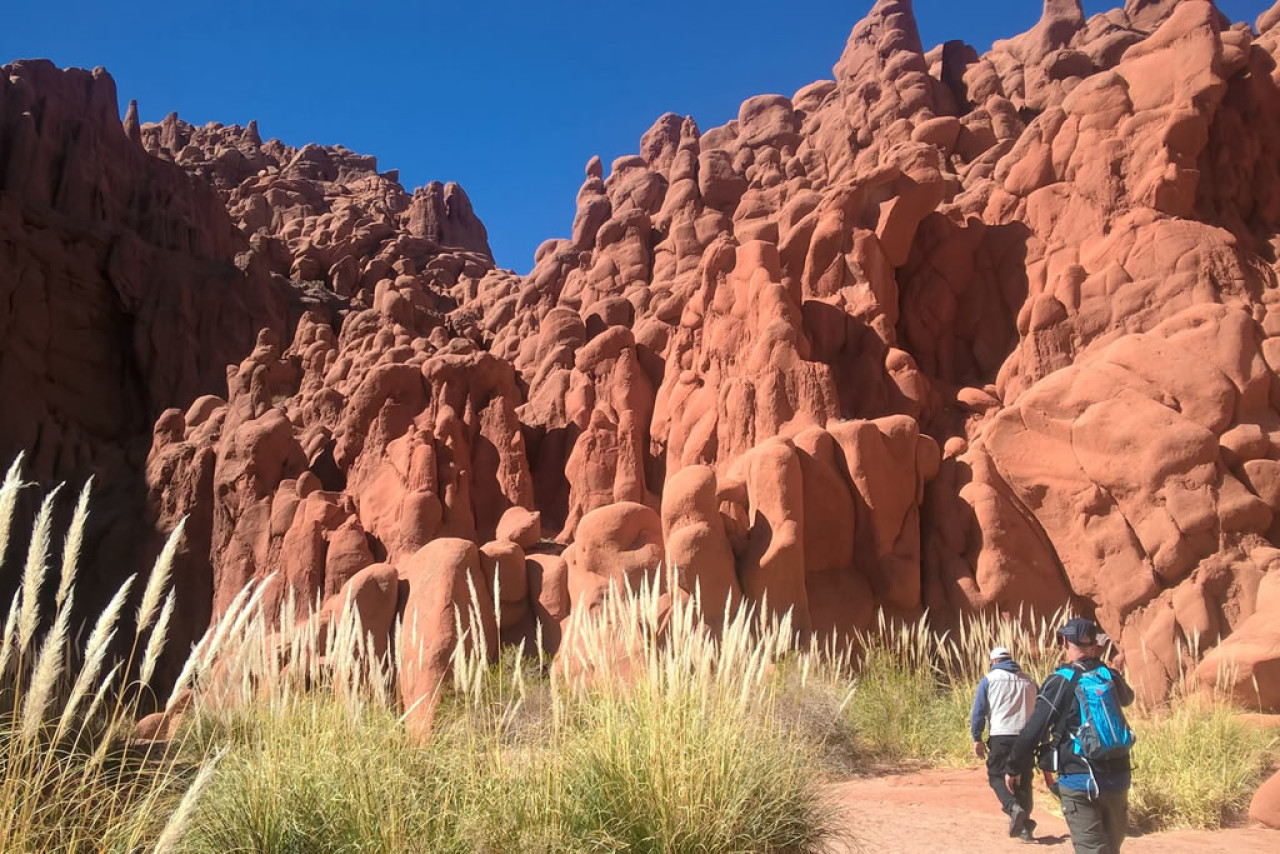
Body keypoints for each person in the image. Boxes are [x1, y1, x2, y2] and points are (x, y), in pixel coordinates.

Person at [1005, 618, 1135, 854]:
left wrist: (1013, 767)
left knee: (1091, 850)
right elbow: (1128, 699)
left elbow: (1033, 730)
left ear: (1065, 641)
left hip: (1079, 780)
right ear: (1094, 642)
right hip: (1118, 777)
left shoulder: (1062, 680)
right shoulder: (1109, 675)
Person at [971, 645, 1039, 840]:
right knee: (1023, 779)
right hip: (1027, 737)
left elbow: (978, 712)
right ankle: (1025, 828)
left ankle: (1013, 808)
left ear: (993, 662)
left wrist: (977, 738)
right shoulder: (1030, 680)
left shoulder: (989, 680)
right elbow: (1041, 709)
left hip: (1001, 736)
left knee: (996, 776)